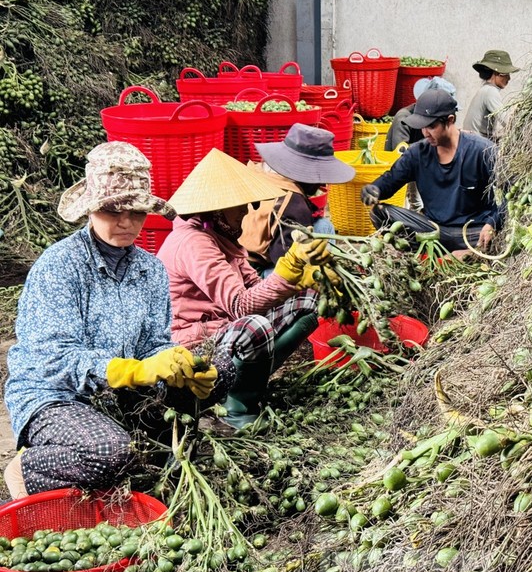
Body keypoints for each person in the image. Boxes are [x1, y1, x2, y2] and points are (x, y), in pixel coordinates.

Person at [3, 141, 217, 499]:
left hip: (116, 393)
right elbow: (55, 359)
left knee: (221, 372)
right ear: (90, 209)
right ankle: (26, 469)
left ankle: (122, 443)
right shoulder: (60, 266)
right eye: (113, 210)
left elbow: (154, 343)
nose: (126, 222)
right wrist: (132, 371)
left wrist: (178, 362)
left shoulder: (150, 270)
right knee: (111, 453)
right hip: (55, 395)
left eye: (136, 212)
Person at [157, 148, 333, 428]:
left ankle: (250, 381)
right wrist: (286, 271)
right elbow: (241, 306)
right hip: (192, 346)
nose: (247, 212)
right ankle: (235, 410)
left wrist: (301, 280)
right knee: (255, 327)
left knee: (309, 301)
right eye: (240, 206)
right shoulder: (194, 243)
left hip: (223, 330)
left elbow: (254, 286)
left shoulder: (223, 235)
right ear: (216, 209)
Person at [360, 89, 503, 253]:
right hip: (432, 231)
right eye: (422, 127)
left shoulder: (482, 150)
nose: (425, 133)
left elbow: (513, 193)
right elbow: (390, 180)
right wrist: (375, 189)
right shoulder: (417, 153)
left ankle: (471, 253)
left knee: (499, 231)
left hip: (472, 232)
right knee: (379, 213)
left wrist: (492, 223)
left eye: (431, 126)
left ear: (450, 120)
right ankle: (426, 253)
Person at [238, 123, 354, 273]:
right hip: (251, 272)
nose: (322, 183)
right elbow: (285, 261)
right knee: (320, 237)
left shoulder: (259, 169)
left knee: (323, 225)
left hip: (237, 255)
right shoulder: (293, 204)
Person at [385, 77, 458, 212]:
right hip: (401, 162)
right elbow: (401, 153)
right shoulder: (403, 118)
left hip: (422, 160)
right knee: (414, 202)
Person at [462, 49, 520, 141]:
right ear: (495, 73)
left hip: (471, 140)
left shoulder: (485, 89)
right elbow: (508, 121)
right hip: (476, 143)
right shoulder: (490, 92)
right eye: (506, 74)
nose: (509, 78)